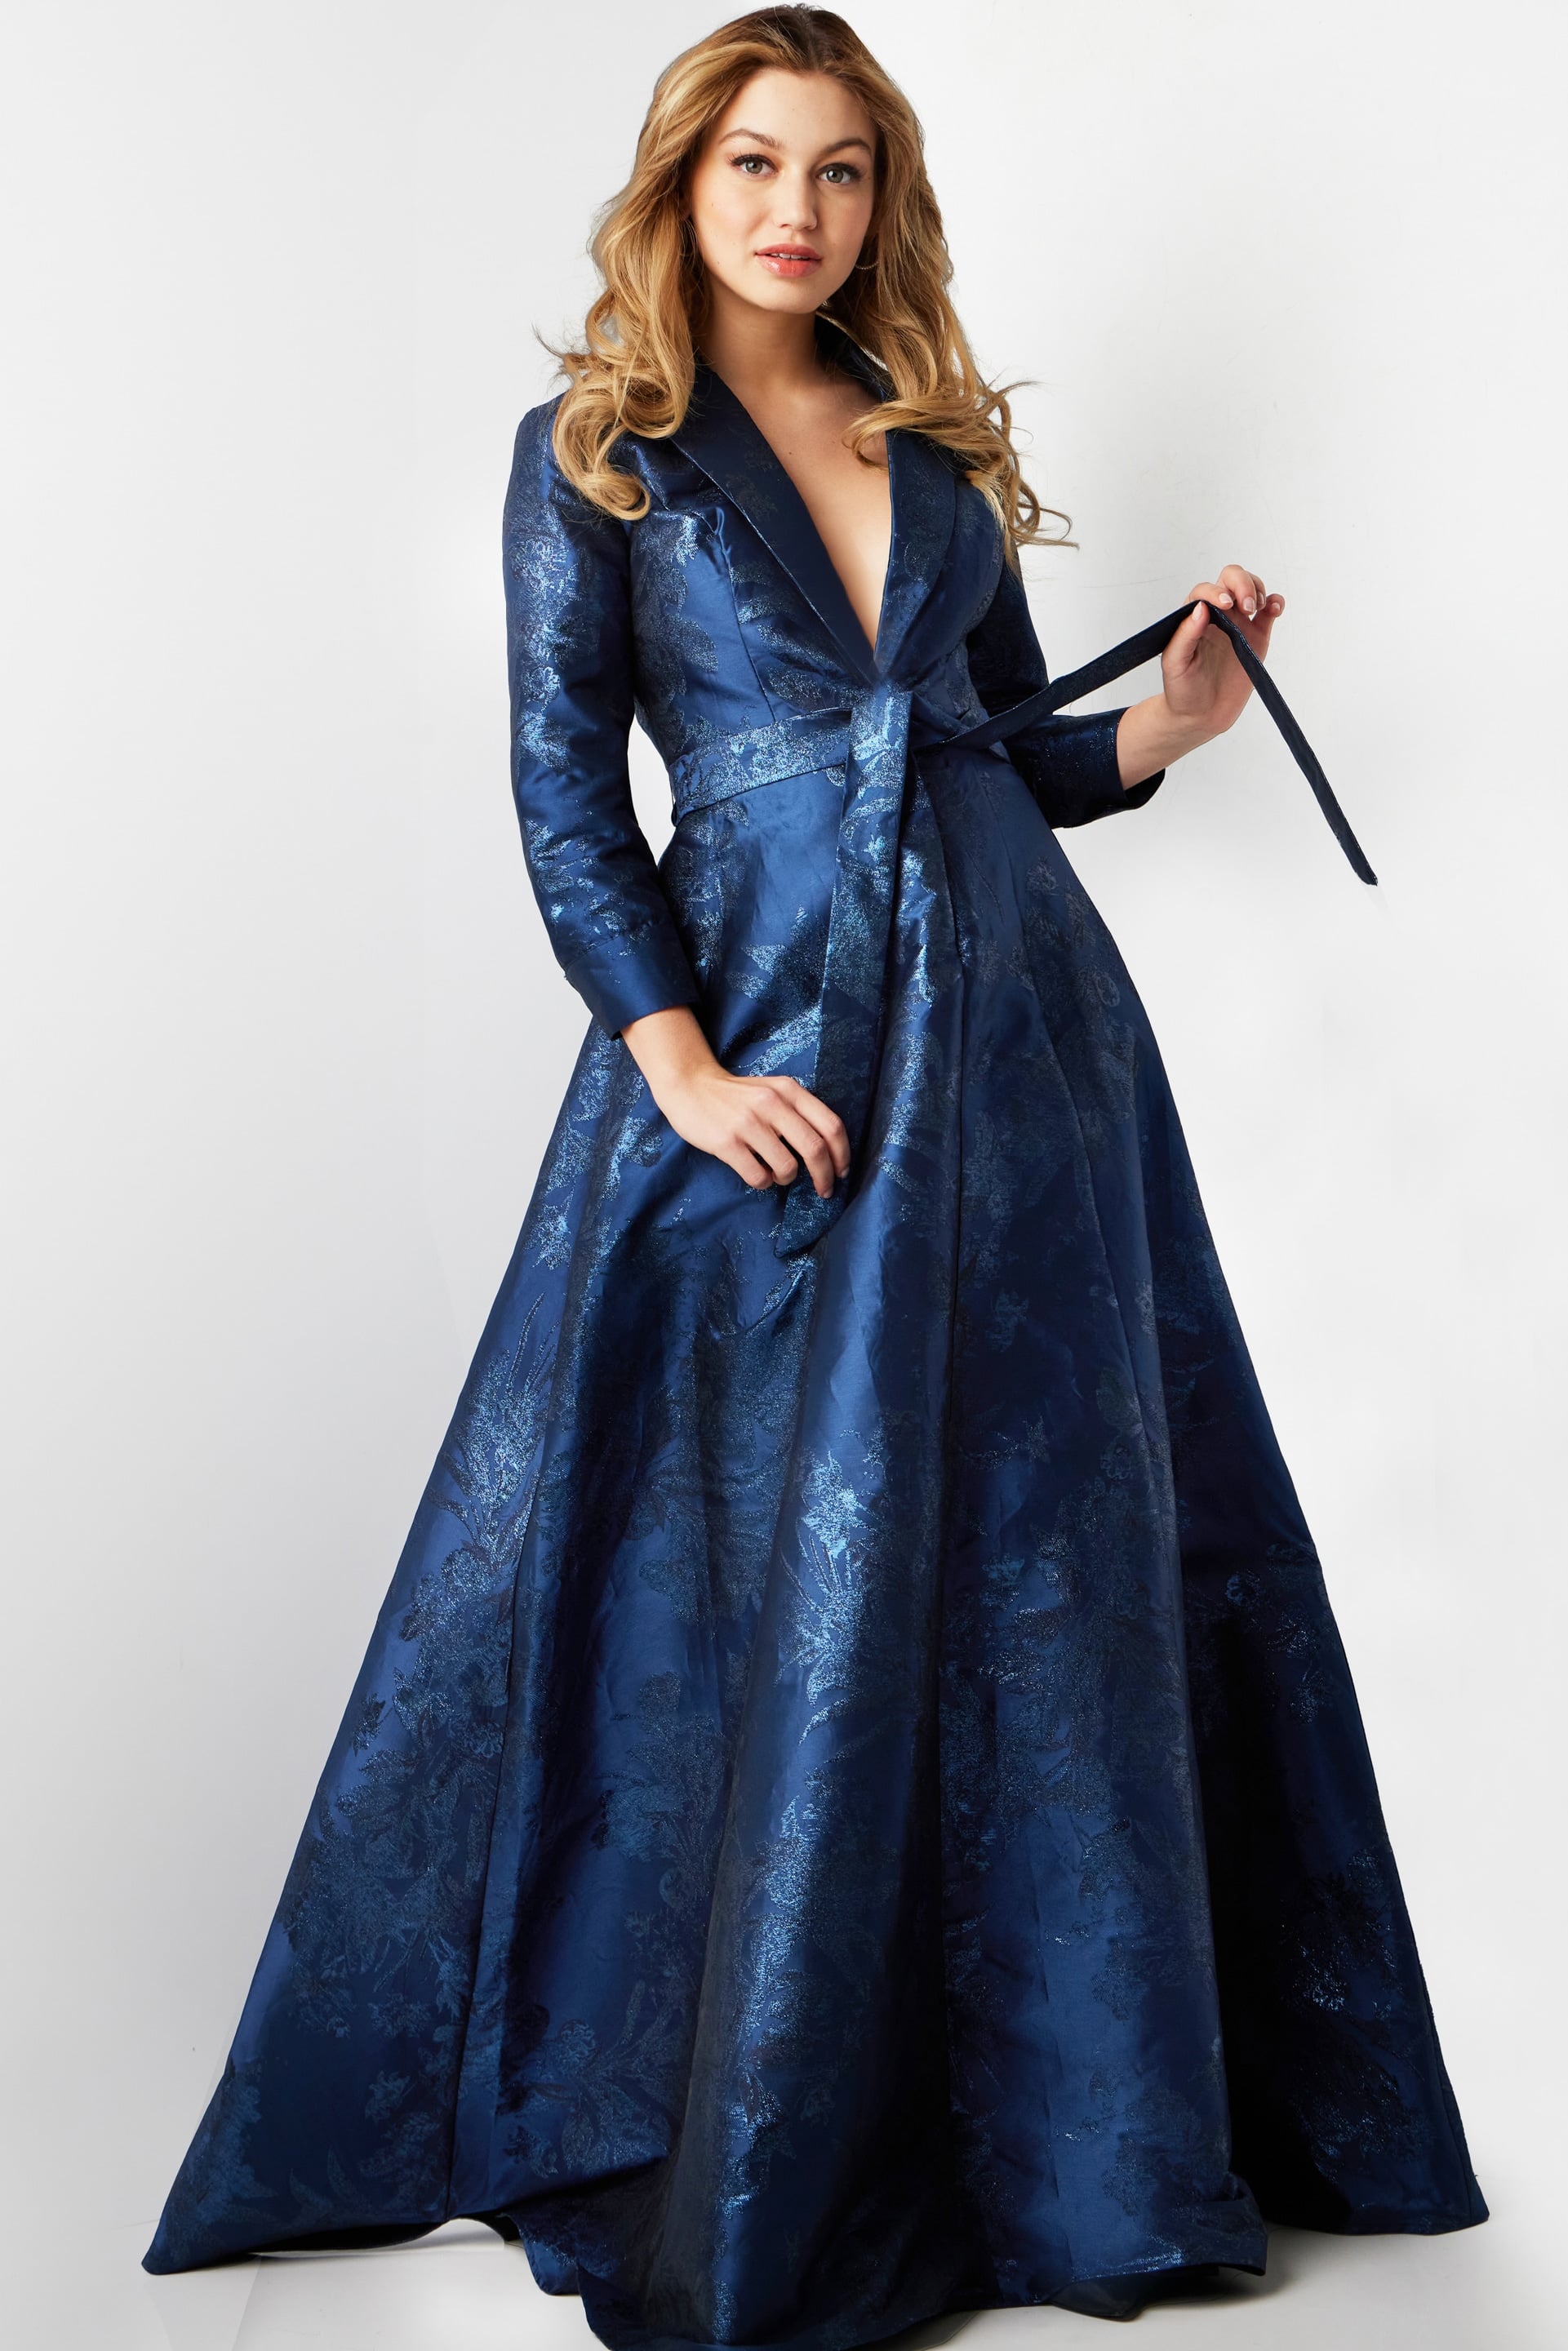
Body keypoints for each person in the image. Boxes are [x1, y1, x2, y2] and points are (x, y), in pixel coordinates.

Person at [144, 6, 1486, 2337]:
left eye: (842, 169)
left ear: (885, 200)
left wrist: (1163, 727)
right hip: (764, 1046)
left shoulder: (929, 443)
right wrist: (674, 1066)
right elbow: (565, 789)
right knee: (727, 1554)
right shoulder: (596, 452)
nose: (798, 207)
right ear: (683, 185)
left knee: (1044, 1542)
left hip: (1033, 1060)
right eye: (756, 162)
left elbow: (996, 752)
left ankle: (1080, 2123)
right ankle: (742, 2101)